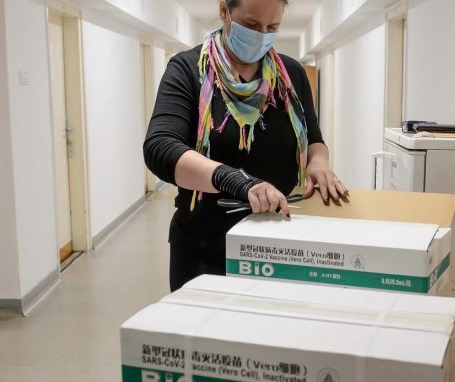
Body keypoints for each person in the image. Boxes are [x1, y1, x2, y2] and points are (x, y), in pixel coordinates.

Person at [144, 0, 349, 291]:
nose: (261, 35)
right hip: (206, 251)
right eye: (251, 25)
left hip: (280, 248)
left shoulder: (291, 75)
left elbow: (313, 139)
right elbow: (160, 147)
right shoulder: (188, 69)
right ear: (224, 11)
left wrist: (319, 162)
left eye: (272, 27)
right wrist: (237, 181)